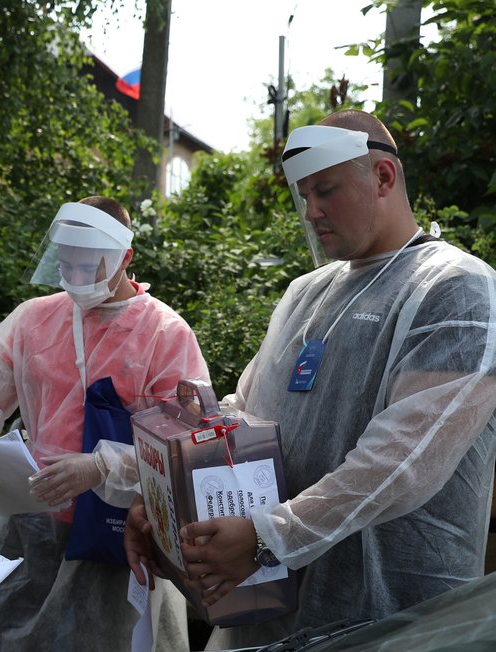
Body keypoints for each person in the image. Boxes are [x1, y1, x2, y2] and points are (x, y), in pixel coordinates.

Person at [125, 109, 496, 649]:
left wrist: (267, 536)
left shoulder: (455, 290)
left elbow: (400, 463)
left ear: (383, 178)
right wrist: (166, 504)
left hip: (399, 622)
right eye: (304, 195)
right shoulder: (306, 294)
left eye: (326, 190)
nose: (311, 211)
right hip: (268, 614)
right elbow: (239, 418)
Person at [0, 196, 210, 651]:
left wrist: (102, 468)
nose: (77, 280)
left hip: (118, 537)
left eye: (90, 267)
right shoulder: (34, 320)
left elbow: (187, 445)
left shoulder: (165, 334)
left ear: (126, 258)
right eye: (67, 265)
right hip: (28, 529)